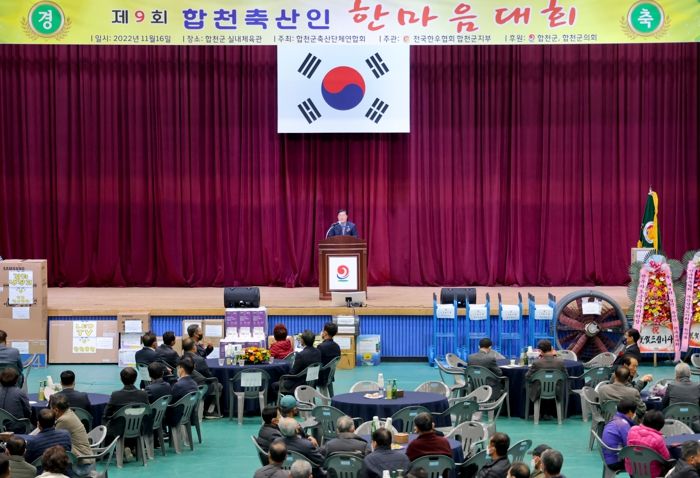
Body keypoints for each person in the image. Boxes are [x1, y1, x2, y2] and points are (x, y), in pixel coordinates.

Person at [625, 410, 671, 478]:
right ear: (660, 426)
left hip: (632, 471)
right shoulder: (658, 439)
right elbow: (666, 458)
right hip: (652, 474)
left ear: (644, 420)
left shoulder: (632, 429)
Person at [601, 398, 636, 471]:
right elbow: (629, 446)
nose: (635, 414)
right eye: (634, 412)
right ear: (630, 412)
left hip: (608, 458)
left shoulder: (615, 419)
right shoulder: (624, 424)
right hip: (616, 461)